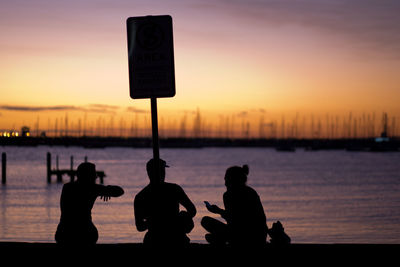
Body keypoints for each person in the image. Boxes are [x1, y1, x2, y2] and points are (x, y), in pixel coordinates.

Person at [55, 162, 124, 246]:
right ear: (89, 175)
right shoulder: (93, 188)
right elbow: (120, 191)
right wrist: (106, 190)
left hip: (63, 233)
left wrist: (104, 190)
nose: (96, 177)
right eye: (94, 174)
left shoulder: (67, 187)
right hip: (85, 234)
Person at [134, 158, 197, 247]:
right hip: (160, 239)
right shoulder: (174, 189)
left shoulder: (140, 196)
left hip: (169, 237)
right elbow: (192, 210)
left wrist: (181, 218)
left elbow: (140, 227)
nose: (163, 173)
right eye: (161, 170)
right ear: (150, 172)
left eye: (163, 170)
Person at [201, 165, 268, 247]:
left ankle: (226, 240)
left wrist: (218, 211)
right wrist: (219, 211)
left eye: (227, 180)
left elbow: (236, 219)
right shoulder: (250, 192)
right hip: (258, 236)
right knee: (206, 223)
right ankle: (223, 239)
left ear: (234, 180)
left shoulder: (232, 195)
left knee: (206, 222)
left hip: (248, 235)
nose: (225, 183)